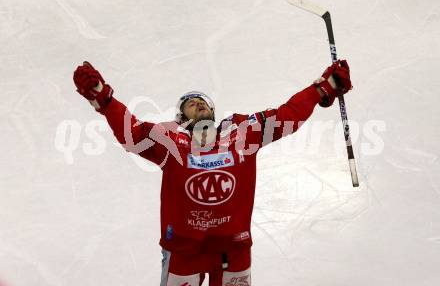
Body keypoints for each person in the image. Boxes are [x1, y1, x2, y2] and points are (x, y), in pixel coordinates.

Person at [73, 60, 352, 286]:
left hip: (233, 250)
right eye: (190, 103)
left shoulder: (242, 133)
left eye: (203, 101)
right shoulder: (170, 139)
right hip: (184, 251)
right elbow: (131, 134)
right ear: (180, 117)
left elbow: (286, 116)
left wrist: (323, 88)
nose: (199, 103)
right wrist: (105, 100)